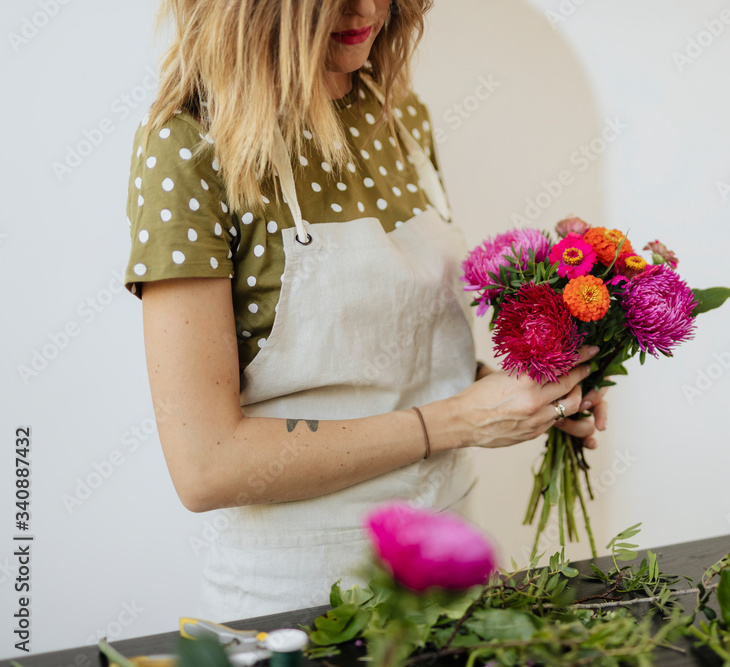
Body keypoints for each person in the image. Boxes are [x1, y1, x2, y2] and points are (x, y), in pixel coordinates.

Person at [125, 0, 609, 620]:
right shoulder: (190, 146)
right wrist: (457, 421)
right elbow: (207, 463)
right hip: (304, 602)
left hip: (452, 562)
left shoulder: (400, 114)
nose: (368, 9)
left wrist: (532, 395)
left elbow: (401, 370)